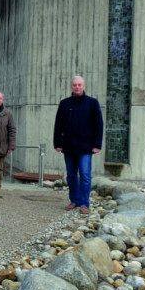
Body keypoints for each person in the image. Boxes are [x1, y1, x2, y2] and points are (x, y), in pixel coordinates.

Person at [53, 76, 103, 214]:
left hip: (86, 147)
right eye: (74, 85)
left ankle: (84, 203)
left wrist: (97, 144)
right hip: (68, 146)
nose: (77, 87)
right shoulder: (64, 104)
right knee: (71, 176)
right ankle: (74, 200)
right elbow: (58, 125)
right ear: (71, 87)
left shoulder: (92, 103)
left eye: (79, 85)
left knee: (85, 175)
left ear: (84, 86)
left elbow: (98, 125)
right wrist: (57, 143)